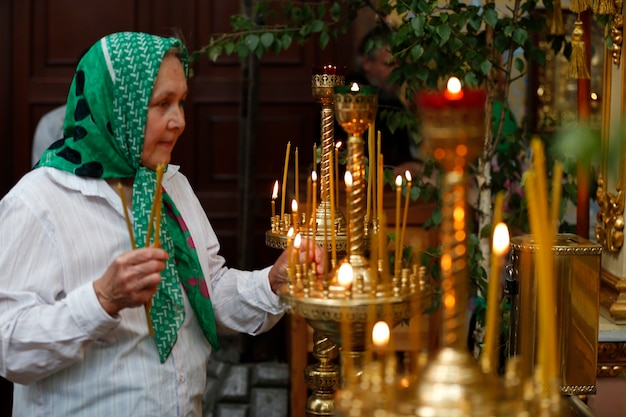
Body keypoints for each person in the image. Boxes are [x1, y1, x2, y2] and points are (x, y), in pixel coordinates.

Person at [0, 31, 324, 417]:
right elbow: (10, 348)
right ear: (117, 106)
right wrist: (102, 299)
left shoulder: (171, 185)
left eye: (181, 102)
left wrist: (272, 282)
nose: (180, 121)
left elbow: (208, 290)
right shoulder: (38, 202)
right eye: (162, 104)